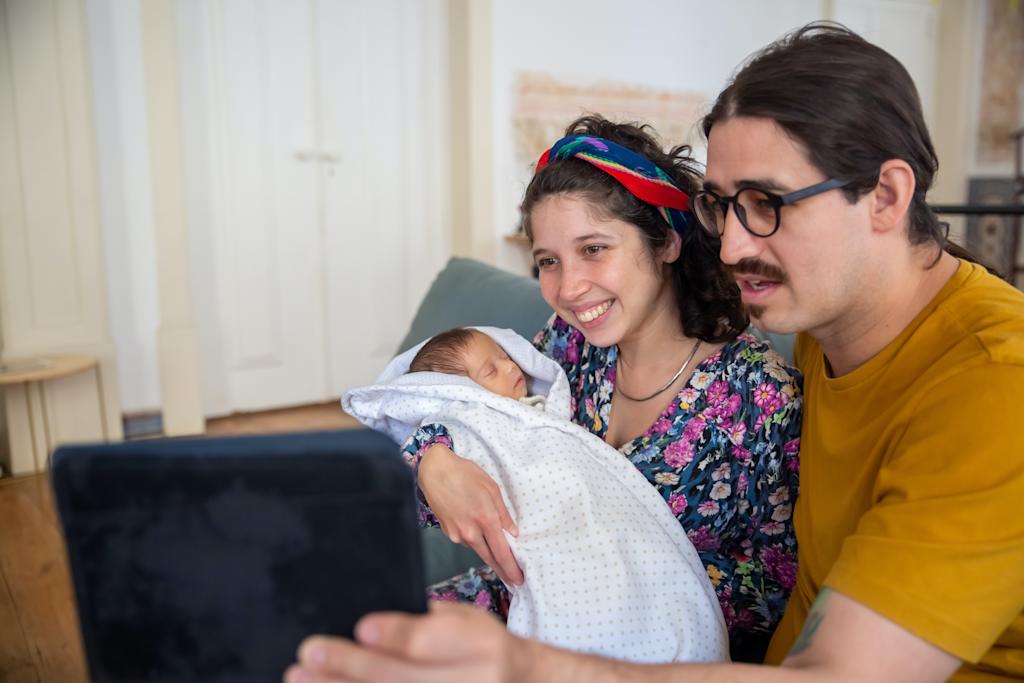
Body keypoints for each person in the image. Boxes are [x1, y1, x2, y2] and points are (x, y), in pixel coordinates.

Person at [286, 22, 1024, 683]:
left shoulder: (993, 385)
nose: (733, 245)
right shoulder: (818, 337)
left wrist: (533, 656)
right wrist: (435, 457)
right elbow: (460, 408)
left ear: (888, 197)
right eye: (725, 206)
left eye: (768, 203)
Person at [392, 115, 802, 662]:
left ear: (666, 241)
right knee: (364, 635)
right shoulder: (566, 347)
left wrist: (612, 585)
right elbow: (457, 413)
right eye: (548, 261)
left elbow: (776, 584)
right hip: (519, 606)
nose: (568, 288)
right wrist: (432, 460)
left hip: (653, 650)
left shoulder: (761, 398)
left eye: (593, 249)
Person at [343, 325, 729, 663]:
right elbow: (409, 479)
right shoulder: (474, 421)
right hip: (545, 570)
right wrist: (434, 457)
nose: (512, 368)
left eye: (506, 358)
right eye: (491, 370)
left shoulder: (538, 415)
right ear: (460, 392)